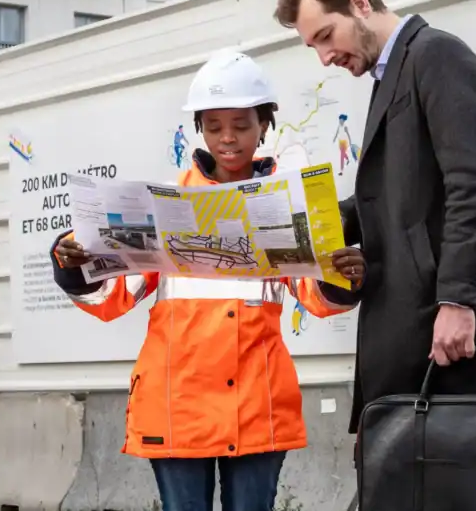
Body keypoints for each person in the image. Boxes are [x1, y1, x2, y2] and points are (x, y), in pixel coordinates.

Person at [49, 50, 368, 511]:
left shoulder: (287, 206)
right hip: (176, 406)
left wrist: (345, 279)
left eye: (241, 124)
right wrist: (72, 265)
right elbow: (110, 298)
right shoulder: (164, 212)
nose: (228, 138)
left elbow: (316, 297)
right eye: (214, 126)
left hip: (257, 406)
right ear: (199, 128)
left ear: (264, 125)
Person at [272, 0, 476, 437]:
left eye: (326, 37)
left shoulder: (437, 57)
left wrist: (457, 301)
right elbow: (393, 198)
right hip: (418, 343)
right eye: (313, 47)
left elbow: (474, 186)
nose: (324, 58)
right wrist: (294, 222)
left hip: (453, 341)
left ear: (360, 4)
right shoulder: (393, 73)